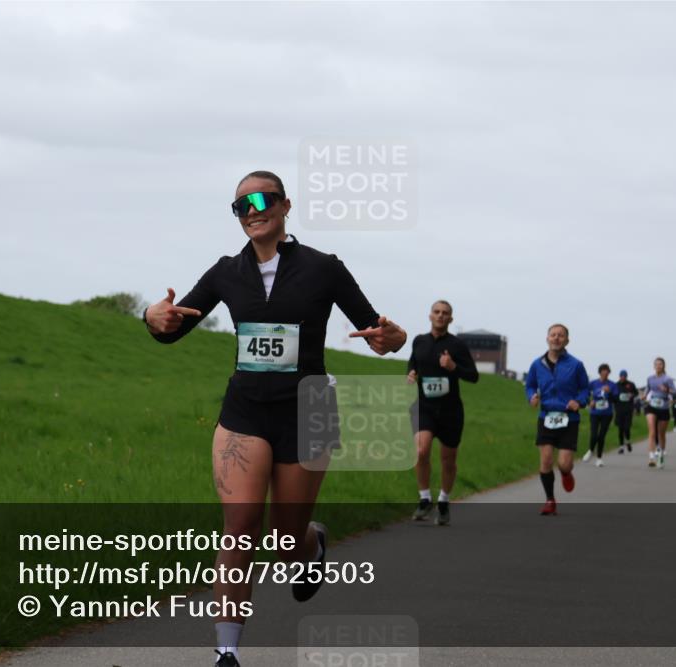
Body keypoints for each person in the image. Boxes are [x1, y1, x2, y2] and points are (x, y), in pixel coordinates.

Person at [144, 171, 406, 667]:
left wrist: (390, 339)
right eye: (240, 206)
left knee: (288, 542)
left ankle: (312, 542)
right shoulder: (226, 271)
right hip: (245, 409)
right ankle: (227, 651)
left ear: (286, 205)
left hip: (310, 408)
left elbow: (378, 332)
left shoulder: (324, 267)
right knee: (240, 527)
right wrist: (152, 318)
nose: (251, 211)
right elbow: (173, 329)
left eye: (262, 200)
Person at [407, 300, 480, 526]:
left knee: (448, 460)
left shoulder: (457, 345)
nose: (440, 316)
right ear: (430, 316)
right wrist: (410, 374)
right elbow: (412, 365)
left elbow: (473, 376)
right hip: (424, 407)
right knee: (421, 450)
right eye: (437, 312)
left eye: (445, 313)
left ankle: (444, 501)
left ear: (451, 319)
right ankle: (425, 498)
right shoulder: (419, 341)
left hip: (450, 411)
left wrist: (453, 367)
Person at [524, 324, 589, 515]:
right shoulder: (537, 364)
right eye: (553, 335)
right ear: (547, 338)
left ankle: (567, 473)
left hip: (569, 418)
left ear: (567, 340)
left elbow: (585, 389)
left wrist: (579, 401)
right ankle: (550, 500)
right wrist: (531, 397)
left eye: (561, 335)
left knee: (563, 464)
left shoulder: (576, 364)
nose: (556, 338)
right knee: (545, 461)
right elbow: (530, 385)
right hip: (546, 417)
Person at [643, 358, 676, 469]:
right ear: (654, 366)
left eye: (660, 364)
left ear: (663, 366)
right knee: (652, 431)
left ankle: (661, 455)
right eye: (656, 364)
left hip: (664, 407)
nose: (658, 366)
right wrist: (644, 395)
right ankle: (651, 457)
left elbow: (675, 392)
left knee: (661, 434)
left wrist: (666, 390)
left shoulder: (668, 379)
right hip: (651, 406)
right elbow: (647, 389)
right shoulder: (650, 378)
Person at [583, 363, 618, 466]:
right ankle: (590, 450)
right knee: (594, 435)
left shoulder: (612, 385)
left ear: (609, 373)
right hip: (594, 413)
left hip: (607, 414)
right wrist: (590, 402)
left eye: (607, 371)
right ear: (600, 372)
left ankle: (599, 458)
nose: (605, 373)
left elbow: (616, 399)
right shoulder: (593, 383)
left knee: (601, 436)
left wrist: (610, 392)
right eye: (603, 371)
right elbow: (585, 394)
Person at [614, 370, 637, 454]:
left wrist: (632, 395)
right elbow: (613, 396)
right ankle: (621, 447)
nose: (623, 377)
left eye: (624, 376)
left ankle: (627, 441)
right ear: (619, 376)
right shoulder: (616, 385)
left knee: (627, 428)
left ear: (626, 376)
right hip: (619, 410)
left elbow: (636, 393)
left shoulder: (631, 384)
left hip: (628, 409)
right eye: (621, 376)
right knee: (620, 429)